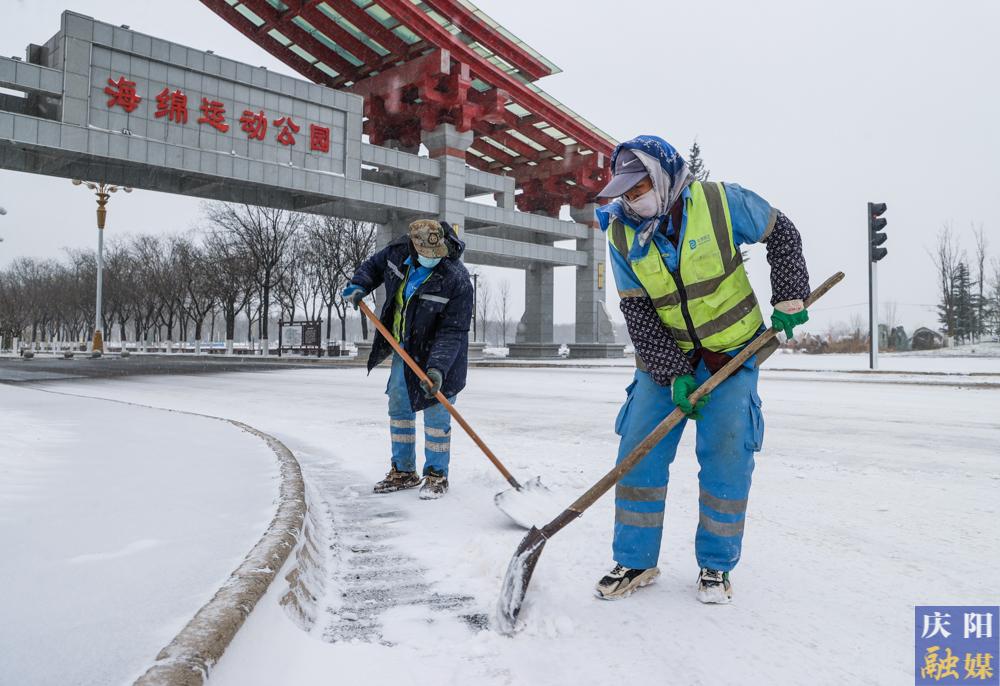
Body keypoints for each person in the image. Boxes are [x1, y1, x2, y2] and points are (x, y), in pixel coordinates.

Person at [593, 135, 811, 603]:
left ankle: (716, 565)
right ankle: (635, 560)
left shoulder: (721, 203)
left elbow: (782, 232)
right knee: (638, 452)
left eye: (638, 189)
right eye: (624, 193)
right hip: (663, 360)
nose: (631, 201)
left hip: (731, 354)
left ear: (662, 178)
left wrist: (790, 295)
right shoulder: (620, 233)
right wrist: (674, 372)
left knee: (727, 459)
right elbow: (637, 309)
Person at [342, 219, 473, 499]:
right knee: (399, 406)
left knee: (436, 412)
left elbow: (453, 331)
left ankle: (437, 475)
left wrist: (437, 370)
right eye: (427, 254)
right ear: (414, 246)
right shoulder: (397, 253)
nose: (433, 258)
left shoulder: (457, 279)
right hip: (404, 348)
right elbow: (373, 266)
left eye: (437, 253)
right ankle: (403, 471)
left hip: (442, 355)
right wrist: (359, 284)